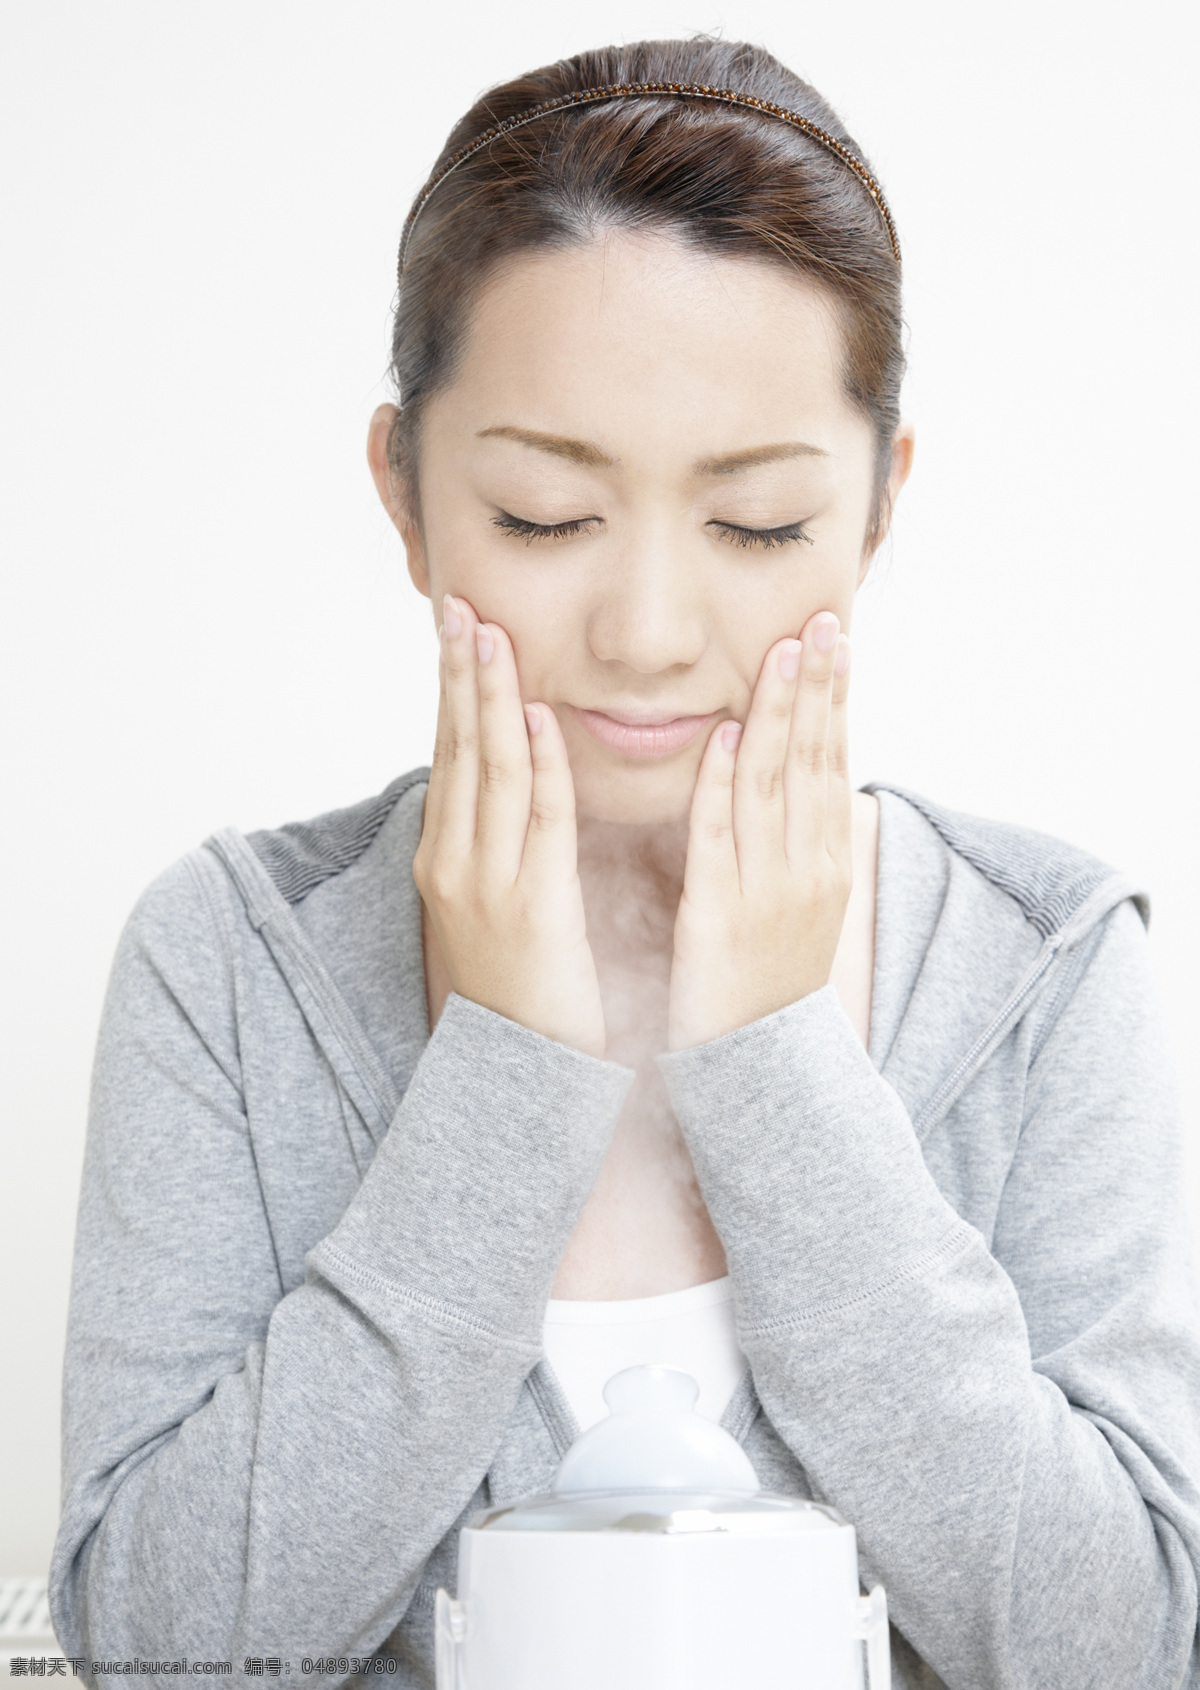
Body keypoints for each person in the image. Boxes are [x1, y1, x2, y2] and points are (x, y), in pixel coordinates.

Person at [49, 35, 1200, 1690]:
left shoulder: (1045, 963)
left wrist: (782, 1076)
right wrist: (507, 1078)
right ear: (404, 494)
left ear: (877, 511)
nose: (650, 634)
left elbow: (1123, 1647)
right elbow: (158, 1644)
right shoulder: (231, 962)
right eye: (539, 516)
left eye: (756, 527)